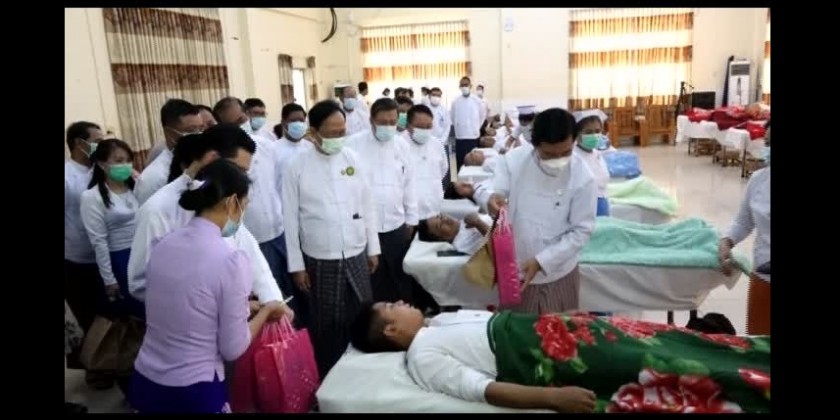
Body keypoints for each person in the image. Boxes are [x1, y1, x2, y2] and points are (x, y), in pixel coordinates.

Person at [350, 302, 771, 414]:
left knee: (665, 339)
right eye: (392, 307)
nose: (402, 302)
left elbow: (507, 320)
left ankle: (749, 353)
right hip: (557, 357)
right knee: (659, 365)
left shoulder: (438, 322)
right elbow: (482, 389)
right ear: (391, 332)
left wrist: (568, 317)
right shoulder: (424, 356)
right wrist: (552, 399)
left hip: (569, 331)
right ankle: (751, 385)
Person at [130, 159, 288, 414]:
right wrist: (267, 310)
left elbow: (186, 303)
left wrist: (243, 306)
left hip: (146, 380)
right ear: (232, 202)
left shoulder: (164, 244)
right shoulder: (231, 260)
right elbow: (232, 347)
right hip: (193, 388)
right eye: (245, 205)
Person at [127, 125, 286, 309]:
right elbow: (141, 283)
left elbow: (250, 253)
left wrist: (272, 299)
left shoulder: (226, 201)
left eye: (245, 172)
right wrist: (220, 306)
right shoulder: (158, 211)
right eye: (238, 170)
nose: (241, 179)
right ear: (212, 159)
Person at [281, 100, 381, 378]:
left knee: (362, 314)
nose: (339, 138)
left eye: (342, 132)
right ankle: (331, 376)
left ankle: (365, 373)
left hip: (356, 250)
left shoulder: (352, 159)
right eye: (332, 133)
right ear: (313, 132)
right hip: (319, 256)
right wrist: (297, 266)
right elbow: (290, 219)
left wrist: (373, 248)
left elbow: (367, 204)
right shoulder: (296, 166)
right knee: (327, 322)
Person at [486, 108, 597, 314]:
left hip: (558, 272)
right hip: (517, 268)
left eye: (566, 153)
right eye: (549, 154)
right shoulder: (513, 161)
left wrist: (542, 261)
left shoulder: (583, 177)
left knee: (557, 329)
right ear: (534, 144)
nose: (558, 160)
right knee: (517, 328)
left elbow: (581, 231)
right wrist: (493, 199)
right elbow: (496, 192)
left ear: (574, 142)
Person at [345, 98, 419, 304]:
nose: (388, 127)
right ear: (371, 121)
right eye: (383, 122)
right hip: (365, 226)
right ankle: (375, 316)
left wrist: (411, 219)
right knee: (372, 277)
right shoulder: (353, 145)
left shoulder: (402, 145)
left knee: (399, 275)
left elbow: (409, 183)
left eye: (392, 122)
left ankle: (403, 314)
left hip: (396, 222)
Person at [80, 139, 145, 320]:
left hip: (144, 251)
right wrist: (109, 279)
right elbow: (98, 241)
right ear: (101, 164)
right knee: (137, 311)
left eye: (128, 160)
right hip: (121, 258)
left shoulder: (136, 186)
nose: (125, 165)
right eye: (118, 160)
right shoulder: (91, 197)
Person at [65, 121, 108, 385]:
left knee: (107, 313)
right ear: (80, 144)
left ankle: (111, 360)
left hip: (105, 253)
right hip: (76, 257)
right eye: (97, 141)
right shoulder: (67, 175)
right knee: (86, 314)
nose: (101, 145)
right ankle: (93, 368)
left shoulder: (101, 169)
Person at [719, 121, 771, 335]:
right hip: (763, 276)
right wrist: (727, 241)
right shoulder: (759, 180)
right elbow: (743, 221)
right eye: (768, 143)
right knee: (759, 341)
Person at [136, 100, 203, 204]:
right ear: (169, 133)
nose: (199, 135)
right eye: (191, 130)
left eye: (201, 129)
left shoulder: (203, 162)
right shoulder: (154, 177)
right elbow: (148, 212)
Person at [405, 105, 449, 222]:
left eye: (428, 126)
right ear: (408, 126)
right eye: (420, 127)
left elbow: (443, 169)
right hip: (408, 214)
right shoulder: (399, 146)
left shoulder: (436, 144)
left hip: (434, 210)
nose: (424, 130)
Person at [572, 111, 611, 216]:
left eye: (597, 131)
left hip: (601, 200)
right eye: (588, 132)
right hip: (585, 205)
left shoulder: (596, 153)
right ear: (577, 134)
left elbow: (603, 179)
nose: (594, 135)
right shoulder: (574, 157)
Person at [451, 76, 486, 171]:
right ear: (459, 87)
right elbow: (452, 117)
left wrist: (476, 127)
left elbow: (482, 116)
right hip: (460, 137)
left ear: (470, 86)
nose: (464, 87)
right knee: (460, 163)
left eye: (466, 85)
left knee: (473, 163)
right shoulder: (455, 101)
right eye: (462, 85)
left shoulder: (477, 101)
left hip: (473, 137)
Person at [418, 213, 492, 256]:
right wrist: (478, 223)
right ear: (441, 238)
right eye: (440, 225)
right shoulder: (462, 244)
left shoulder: (463, 222)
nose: (445, 219)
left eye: (440, 217)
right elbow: (496, 246)